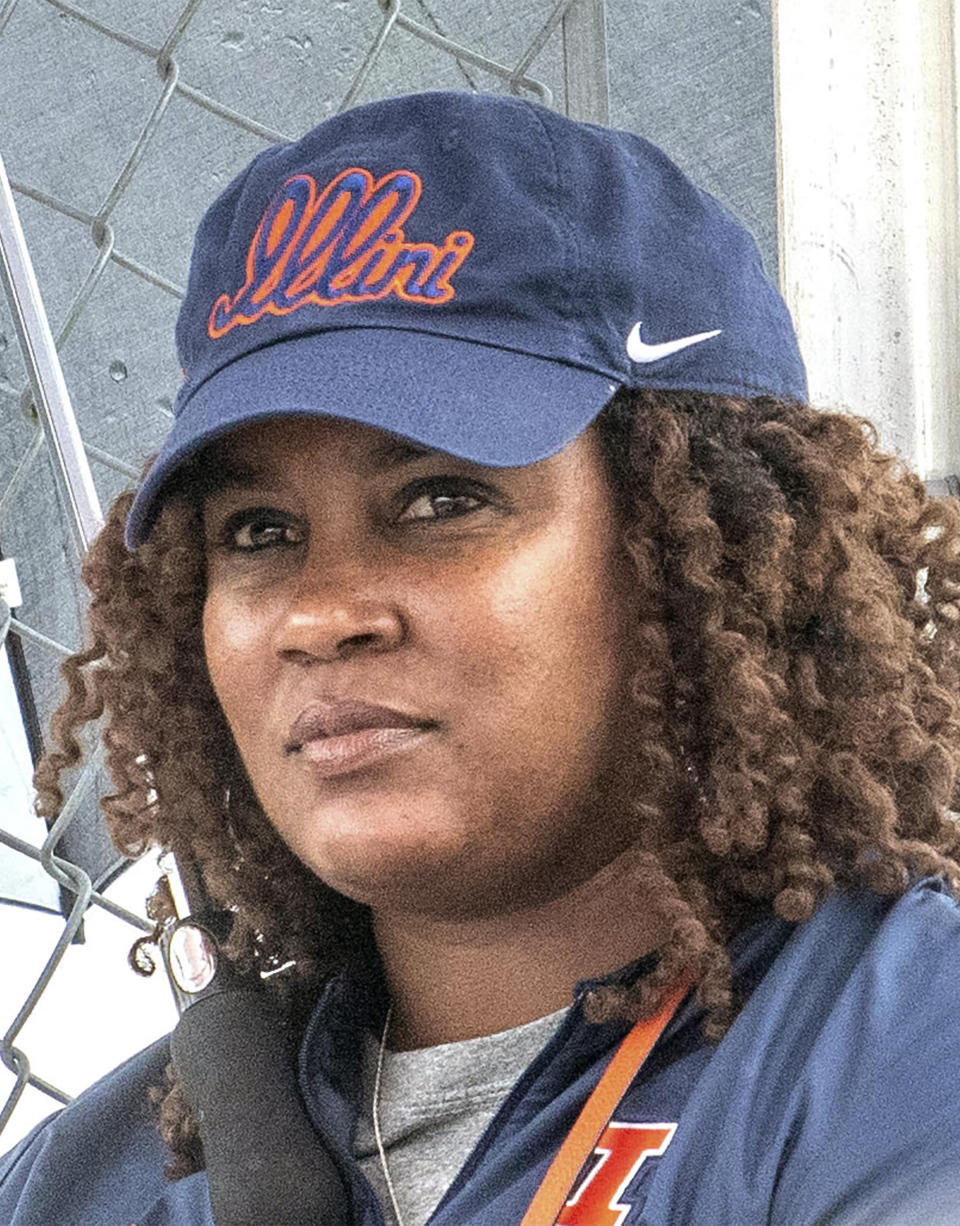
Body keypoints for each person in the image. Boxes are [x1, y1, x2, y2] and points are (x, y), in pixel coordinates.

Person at [2, 88, 960, 1226]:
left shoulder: (901, 1058)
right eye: (258, 533)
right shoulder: (82, 1182)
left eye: (440, 499)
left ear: (707, 547)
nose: (320, 614)